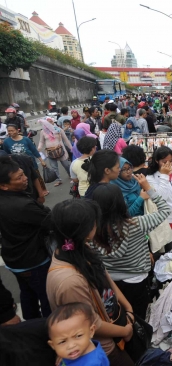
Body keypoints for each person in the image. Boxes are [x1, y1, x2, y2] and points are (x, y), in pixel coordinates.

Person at [46, 199, 135, 366]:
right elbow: (90, 323)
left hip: (116, 326)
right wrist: (125, 330)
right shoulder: (69, 281)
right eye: (94, 222)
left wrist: (128, 308)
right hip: (103, 348)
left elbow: (106, 278)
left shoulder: (80, 248)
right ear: (86, 230)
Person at [91, 178, 170, 318]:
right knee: (139, 316)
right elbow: (165, 210)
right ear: (121, 203)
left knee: (117, 315)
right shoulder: (137, 223)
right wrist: (148, 188)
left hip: (109, 281)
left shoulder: (92, 231)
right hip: (136, 279)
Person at [0, 156, 52, 320]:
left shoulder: (9, 198)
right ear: (4, 186)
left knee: (28, 294)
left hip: (14, 258)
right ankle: (48, 329)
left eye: (23, 174)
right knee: (47, 298)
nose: (25, 179)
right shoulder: (22, 206)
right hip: (33, 260)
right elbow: (51, 220)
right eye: (19, 178)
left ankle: (31, 325)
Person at [38, 118, 72, 187]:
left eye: (51, 122)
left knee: (66, 165)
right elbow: (41, 141)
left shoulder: (58, 130)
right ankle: (58, 180)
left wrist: (72, 148)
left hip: (61, 150)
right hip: (50, 152)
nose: (49, 123)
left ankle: (71, 175)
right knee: (54, 167)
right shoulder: (43, 132)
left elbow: (66, 139)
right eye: (48, 122)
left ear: (53, 122)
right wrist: (39, 148)